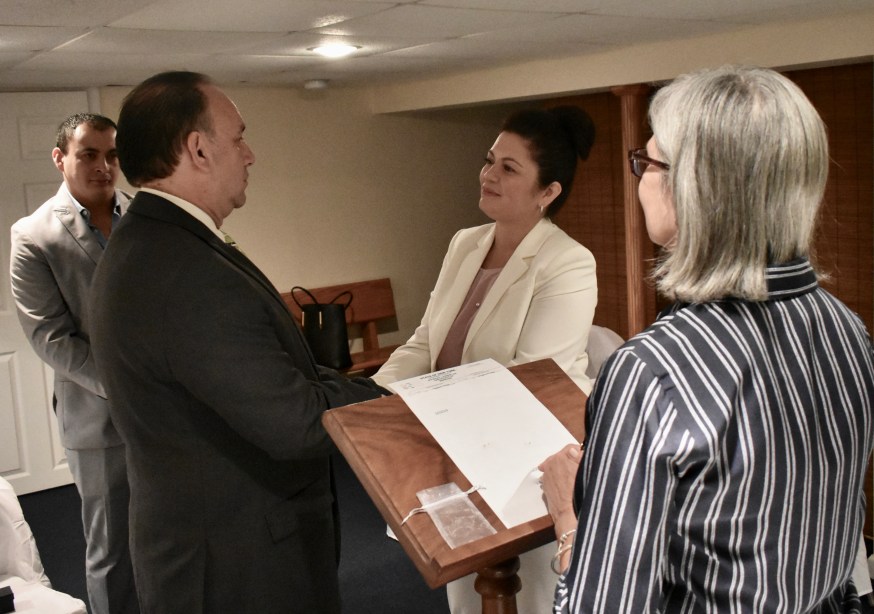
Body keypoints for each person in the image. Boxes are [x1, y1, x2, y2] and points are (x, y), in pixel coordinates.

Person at [540, 65, 874, 613]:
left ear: (691, 188)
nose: (641, 178)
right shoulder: (848, 329)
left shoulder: (653, 372)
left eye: (647, 162)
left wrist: (569, 519)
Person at [88, 71, 386, 614]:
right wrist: (391, 395)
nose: (249, 155)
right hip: (236, 563)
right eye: (239, 137)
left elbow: (267, 369)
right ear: (198, 150)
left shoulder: (153, 239)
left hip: (208, 538)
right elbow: (295, 423)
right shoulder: (185, 270)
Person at [372, 106, 598, 613]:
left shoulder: (567, 261)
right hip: (451, 444)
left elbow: (531, 380)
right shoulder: (464, 243)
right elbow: (425, 343)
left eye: (509, 168)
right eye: (489, 160)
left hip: (528, 457)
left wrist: (429, 407)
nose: (488, 175)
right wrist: (370, 402)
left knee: (530, 596)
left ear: (548, 192)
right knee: (465, 590)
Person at [9, 113, 139, 614]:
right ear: (60, 158)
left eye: (112, 155)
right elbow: (50, 337)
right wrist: (128, 384)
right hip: (97, 416)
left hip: (170, 409)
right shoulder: (34, 234)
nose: (104, 166)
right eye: (89, 154)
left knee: (171, 532)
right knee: (112, 549)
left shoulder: (146, 215)